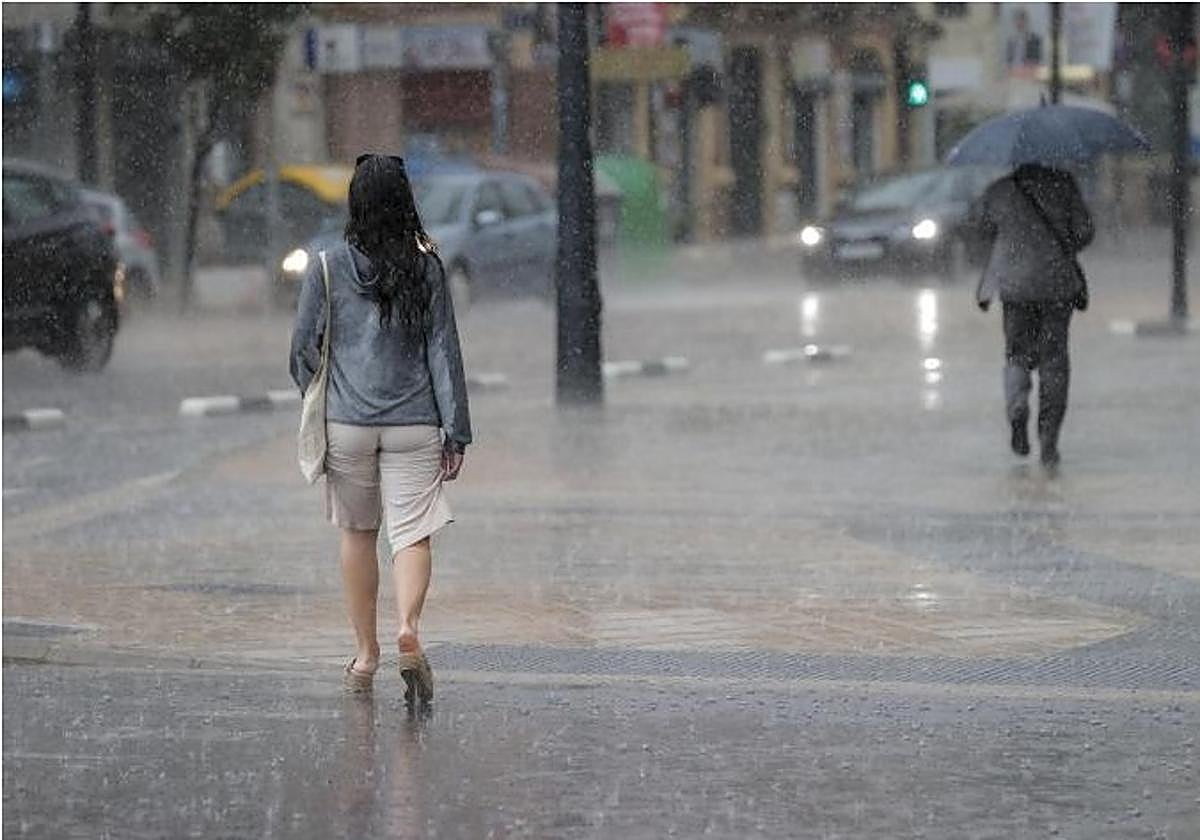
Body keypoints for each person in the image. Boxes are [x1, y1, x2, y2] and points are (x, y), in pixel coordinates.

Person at [290, 153, 471, 703]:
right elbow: (443, 351)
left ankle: (366, 655)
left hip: (348, 424)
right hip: (416, 422)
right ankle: (408, 630)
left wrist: (321, 397)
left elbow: (302, 350)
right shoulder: (428, 266)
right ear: (404, 200)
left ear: (354, 202)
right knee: (412, 534)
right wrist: (456, 428)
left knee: (357, 535)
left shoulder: (325, 266)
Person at [976, 163, 1093, 468]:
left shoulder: (1000, 189)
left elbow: (983, 232)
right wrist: (1060, 238)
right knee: (1054, 360)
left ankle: (1016, 407)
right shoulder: (1063, 184)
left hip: (1014, 287)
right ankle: (1049, 439)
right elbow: (1084, 232)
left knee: (1016, 354)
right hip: (1056, 285)